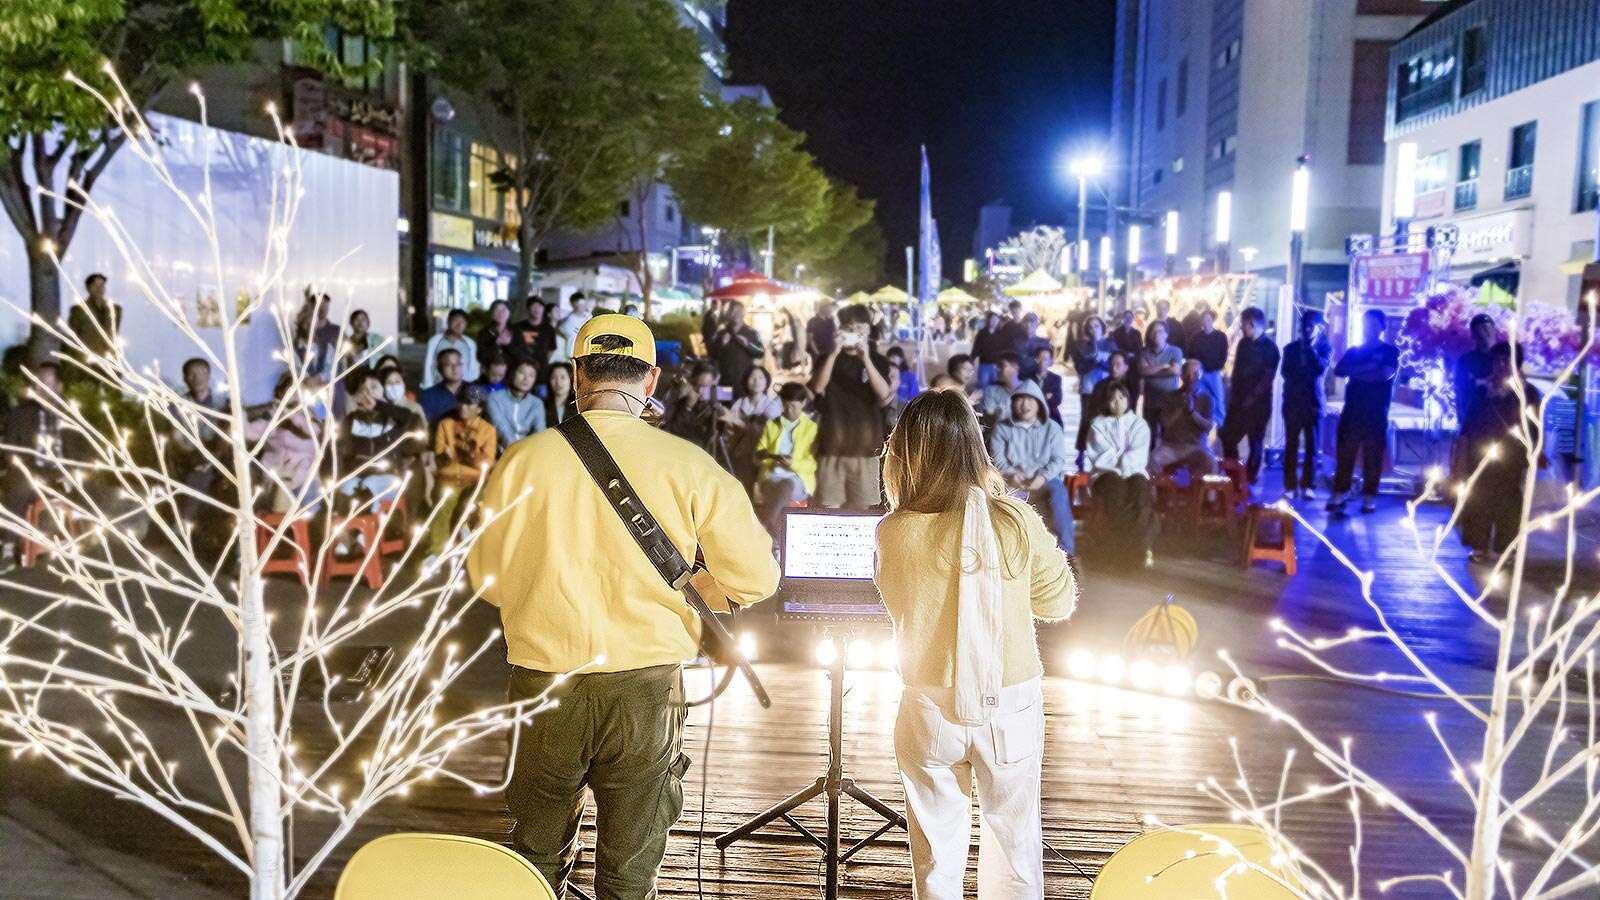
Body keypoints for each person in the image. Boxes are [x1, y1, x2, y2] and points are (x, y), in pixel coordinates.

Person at [467, 314, 778, 898]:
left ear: (577, 375)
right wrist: (696, 586)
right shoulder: (689, 466)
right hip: (644, 686)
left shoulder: (524, 462)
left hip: (543, 679)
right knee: (630, 872)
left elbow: (485, 576)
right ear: (651, 379)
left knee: (532, 858)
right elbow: (755, 578)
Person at [874, 389, 1077, 900]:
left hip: (928, 704)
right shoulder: (1015, 521)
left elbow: (899, 603)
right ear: (975, 445)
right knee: (1014, 847)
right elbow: (1059, 602)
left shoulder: (894, 532)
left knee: (936, 856)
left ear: (905, 452)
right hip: (1010, 701)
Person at [1458, 342, 1540, 562]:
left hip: (1513, 454)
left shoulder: (1528, 392)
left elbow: (1534, 425)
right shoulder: (1482, 390)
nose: (1500, 365)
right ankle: (1478, 545)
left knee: (1509, 499)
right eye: (1497, 360)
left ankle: (1506, 546)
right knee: (1479, 498)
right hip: (1481, 452)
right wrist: (1462, 452)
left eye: (1506, 360)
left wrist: (1535, 452)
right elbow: (1468, 423)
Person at [809, 304, 895, 509]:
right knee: (828, 507)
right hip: (832, 446)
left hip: (866, 447)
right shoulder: (826, 358)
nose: (855, 333)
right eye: (851, 328)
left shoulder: (878, 360)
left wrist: (865, 359)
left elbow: (884, 395)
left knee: (862, 510)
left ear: (868, 330)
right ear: (841, 329)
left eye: (861, 328)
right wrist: (833, 353)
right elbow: (818, 388)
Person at [0, 363, 80, 569]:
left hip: (60, 474)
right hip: (30, 471)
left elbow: (81, 451)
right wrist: (26, 470)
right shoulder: (20, 414)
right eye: (38, 384)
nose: (42, 389)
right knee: (19, 484)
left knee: (82, 487)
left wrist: (73, 471)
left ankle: (75, 544)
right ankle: (8, 547)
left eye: (47, 384)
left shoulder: (71, 416)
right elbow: (10, 450)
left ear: (59, 388)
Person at [334, 371, 423, 554]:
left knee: (369, 487)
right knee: (345, 488)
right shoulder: (351, 422)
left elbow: (411, 419)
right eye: (362, 391)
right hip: (359, 476)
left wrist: (380, 406)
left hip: (389, 478)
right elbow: (340, 452)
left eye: (373, 388)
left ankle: (360, 537)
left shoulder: (394, 419)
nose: (368, 395)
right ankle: (347, 538)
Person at [1327, 309, 1400, 515]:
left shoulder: (1390, 351)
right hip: (1352, 411)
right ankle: (1339, 493)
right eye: (1366, 323)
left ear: (1381, 327)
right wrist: (1369, 367)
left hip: (1376, 412)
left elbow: (1384, 375)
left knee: (1373, 455)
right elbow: (1339, 370)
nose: (1369, 327)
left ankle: (1369, 498)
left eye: (1373, 323)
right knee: (1345, 454)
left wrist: (1357, 371)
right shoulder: (1354, 350)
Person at [989, 381, 1074, 552]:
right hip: (1012, 481)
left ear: (1039, 404)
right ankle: (1008, 553)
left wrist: (1042, 477)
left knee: (1059, 494)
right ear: (1013, 403)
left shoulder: (1052, 428)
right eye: (1020, 400)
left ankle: (1067, 552)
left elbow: (1058, 460)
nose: (1025, 405)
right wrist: (1012, 474)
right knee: (1002, 502)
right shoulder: (1002, 429)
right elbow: (998, 460)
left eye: (1030, 400)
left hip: (1045, 480)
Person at [1085, 382, 1155, 567]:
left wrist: (1119, 459)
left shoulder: (1139, 424)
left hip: (1134, 471)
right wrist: (1120, 458)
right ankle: (1119, 547)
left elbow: (1139, 454)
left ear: (1128, 400)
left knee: (1140, 492)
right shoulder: (1097, 425)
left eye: (1121, 398)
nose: (1117, 402)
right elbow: (1099, 455)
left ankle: (1139, 548)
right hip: (1105, 473)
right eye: (1113, 398)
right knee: (1115, 492)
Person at [426, 384, 495, 562]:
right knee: (444, 504)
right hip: (449, 477)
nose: (463, 407)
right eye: (462, 402)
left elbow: (487, 462)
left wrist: (470, 454)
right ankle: (436, 551)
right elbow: (439, 452)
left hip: (475, 480)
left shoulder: (488, 430)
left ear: (478, 408)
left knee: (469, 504)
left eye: (469, 404)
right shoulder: (445, 424)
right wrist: (446, 456)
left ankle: (469, 547)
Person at [1217, 307, 1280, 484]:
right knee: (1228, 437)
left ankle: (1250, 479)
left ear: (1251, 324)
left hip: (1258, 405)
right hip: (1237, 402)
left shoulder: (1270, 348)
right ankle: (1234, 475)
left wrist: (1251, 399)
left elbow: (1267, 379)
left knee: (1256, 441)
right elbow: (1236, 371)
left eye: (1243, 324)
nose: (1241, 329)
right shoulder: (1244, 344)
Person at [245, 373, 322, 514]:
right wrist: (241, 418)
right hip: (277, 472)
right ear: (281, 392)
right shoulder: (272, 415)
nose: (294, 394)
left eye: (298, 390)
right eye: (290, 390)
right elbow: (252, 432)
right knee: (272, 506)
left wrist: (289, 414)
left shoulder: (308, 414)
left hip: (303, 472)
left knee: (311, 509)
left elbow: (313, 430)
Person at [753, 381, 819, 535]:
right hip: (771, 475)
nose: (789, 410)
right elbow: (759, 454)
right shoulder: (772, 425)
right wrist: (770, 458)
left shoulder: (810, 428)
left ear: (803, 403)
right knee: (777, 491)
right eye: (786, 406)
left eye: (794, 407)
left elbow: (813, 464)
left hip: (798, 478)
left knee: (785, 486)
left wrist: (793, 463)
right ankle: (776, 535)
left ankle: (766, 527)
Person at [1281, 311, 1331, 500]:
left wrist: (1309, 350)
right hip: (1293, 403)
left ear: (1319, 328)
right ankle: (1290, 485)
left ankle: (1308, 484)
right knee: (1291, 446)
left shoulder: (1325, 348)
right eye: (1305, 325)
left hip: (1314, 404)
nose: (1307, 329)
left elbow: (1319, 369)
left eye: (1311, 325)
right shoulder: (1290, 349)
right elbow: (1286, 373)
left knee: (1312, 447)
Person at [1148, 360, 1216, 476]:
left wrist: (1192, 412)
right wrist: (1180, 407)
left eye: (1195, 373)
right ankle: (1158, 492)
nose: (1191, 377)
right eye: (1187, 373)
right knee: (1151, 460)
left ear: (1201, 375)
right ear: (1182, 375)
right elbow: (1165, 423)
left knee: (1211, 463)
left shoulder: (1207, 398)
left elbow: (1208, 427)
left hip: (1196, 447)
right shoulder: (1170, 396)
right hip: (1171, 447)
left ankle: (1205, 494)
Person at [1452, 313, 1498, 480]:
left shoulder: (1503, 358)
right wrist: (1461, 418)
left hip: (1499, 421)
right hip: (1473, 421)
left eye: (1486, 329)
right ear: (1473, 335)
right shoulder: (1466, 361)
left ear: (1494, 330)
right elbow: (1459, 390)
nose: (1483, 334)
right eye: (1478, 331)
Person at [724, 365, 782, 488]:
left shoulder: (772, 404)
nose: (756, 381)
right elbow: (729, 429)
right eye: (752, 377)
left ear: (767, 382)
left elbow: (770, 432)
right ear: (745, 381)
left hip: (762, 450)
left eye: (761, 378)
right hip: (739, 449)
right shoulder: (739, 403)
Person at [662, 362, 724, 454]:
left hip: (696, 452)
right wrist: (688, 407)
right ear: (692, 381)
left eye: (705, 386)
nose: (700, 390)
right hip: (674, 446)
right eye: (697, 385)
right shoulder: (680, 396)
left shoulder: (713, 402)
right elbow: (672, 428)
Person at [1138, 320, 1183, 440]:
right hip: (1151, 399)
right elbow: (1143, 371)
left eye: (1160, 331)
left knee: (1168, 434)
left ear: (1166, 334)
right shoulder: (1144, 352)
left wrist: (1151, 370)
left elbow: (1175, 371)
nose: (1156, 334)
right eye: (1153, 331)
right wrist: (1164, 366)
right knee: (1149, 435)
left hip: (1170, 399)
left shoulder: (1175, 351)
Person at [487, 359, 547, 449]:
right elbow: (502, 429)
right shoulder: (494, 398)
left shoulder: (537, 403)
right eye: (522, 373)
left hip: (528, 452)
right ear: (512, 374)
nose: (526, 379)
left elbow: (539, 432)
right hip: (499, 452)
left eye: (531, 375)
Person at [709, 300, 765, 393]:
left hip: (745, 382)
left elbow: (761, 352)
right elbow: (712, 354)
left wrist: (748, 344)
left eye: (739, 311)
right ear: (729, 314)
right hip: (724, 380)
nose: (736, 314)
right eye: (733, 311)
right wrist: (722, 344)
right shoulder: (721, 333)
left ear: (743, 313)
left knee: (742, 406)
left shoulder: (752, 332)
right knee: (724, 406)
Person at [1187, 308, 1229, 428]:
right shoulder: (1196, 337)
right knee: (1199, 397)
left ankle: (1221, 425)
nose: (1206, 321)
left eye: (1209, 319)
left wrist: (1219, 366)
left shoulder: (1221, 336)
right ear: (1201, 322)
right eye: (1204, 319)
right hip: (1199, 373)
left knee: (1218, 397)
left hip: (1214, 372)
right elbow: (1191, 354)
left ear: (1212, 320)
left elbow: (1223, 354)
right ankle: (1200, 422)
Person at [67, 273, 122, 361]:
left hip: (109, 362)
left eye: (101, 285)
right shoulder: (79, 310)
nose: (99, 289)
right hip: (87, 362)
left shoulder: (115, 310)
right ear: (88, 288)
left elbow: (113, 334)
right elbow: (72, 336)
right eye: (95, 285)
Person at [422, 309, 480, 388]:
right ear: (448, 322)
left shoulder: (470, 344)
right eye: (456, 320)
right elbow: (428, 365)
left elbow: (475, 368)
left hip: (463, 389)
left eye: (463, 322)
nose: (459, 324)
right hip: (439, 387)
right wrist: (427, 387)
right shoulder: (434, 342)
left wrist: (474, 390)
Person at [419, 347, 467, 428]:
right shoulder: (429, 396)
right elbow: (425, 426)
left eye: (458, 364)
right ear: (439, 368)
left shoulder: (474, 390)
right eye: (448, 364)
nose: (454, 368)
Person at [977, 352, 1025, 425]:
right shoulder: (991, 391)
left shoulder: (1028, 389)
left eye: (1001, 365)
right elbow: (989, 419)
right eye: (997, 366)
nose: (997, 369)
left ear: (1015, 367)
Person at [510, 301, 558, 371]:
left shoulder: (549, 329)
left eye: (540, 306)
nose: (537, 309)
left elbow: (551, 348)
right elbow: (513, 346)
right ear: (528, 309)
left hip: (541, 368)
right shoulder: (517, 327)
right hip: (520, 367)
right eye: (534, 306)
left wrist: (543, 361)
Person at [550, 291, 595, 363]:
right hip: (571, 358)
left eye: (582, 303)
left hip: (587, 356)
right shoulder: (567, 323)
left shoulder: (590, 318)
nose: (580, 306)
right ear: (573, 304)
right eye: (578, 303)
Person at [477, 299, 515, 367]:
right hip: (490, 373)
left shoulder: (516, 331)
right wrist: (496, 343)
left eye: (504, 310)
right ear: (492, 314)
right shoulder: (484, 333)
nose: (501, 313)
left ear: (509, 313)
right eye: (497, 310)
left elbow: (522, 355)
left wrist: (509, 345)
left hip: (511, 373)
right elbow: (481, 357)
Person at [970, 311, 1005, 386]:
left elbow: (1004, 349)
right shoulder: (981, 333)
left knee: (996, 385)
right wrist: (971, 359)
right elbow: (976, 347)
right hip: (984, 364)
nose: (994, 321)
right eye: (992, 319)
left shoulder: (1001, 333)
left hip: (997, 365)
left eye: (996, 320)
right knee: (983, 385)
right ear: (988, 320)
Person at [1034, 344, 1065, 427]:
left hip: (1051, 415)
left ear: (1050, 361)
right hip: (1031, 416)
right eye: (1039, 358)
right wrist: (1045, 396)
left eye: (1045, 359)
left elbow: (1057, 400)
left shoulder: (1055, 379)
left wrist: (1037, 398)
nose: (1042, 362)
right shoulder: (1028, 378)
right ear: (1035, 359)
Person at [543, 362, 577, 427]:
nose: (558, 382)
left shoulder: (578, 405)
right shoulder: (543, 405)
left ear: (571, 380)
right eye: (553, 377)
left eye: (563, 377)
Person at [806, 300, 837, 368]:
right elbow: (810, 339)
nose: (830, 309)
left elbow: (834, 335)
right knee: (817, 372)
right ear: (823, 308)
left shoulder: (831, 320)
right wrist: (816, 352)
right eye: (828, 307)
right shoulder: (812, 321)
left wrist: (835, 350)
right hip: (818, 352)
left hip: (830, 352)